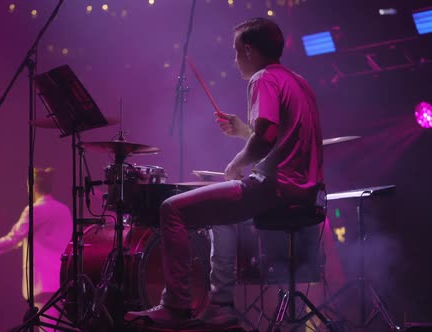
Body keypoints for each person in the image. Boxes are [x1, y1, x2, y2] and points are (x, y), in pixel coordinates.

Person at [126, 17, 324, 328]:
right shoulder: (299, 82)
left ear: (248, 49)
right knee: (221, 217)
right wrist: (244, 131)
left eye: (235, 52)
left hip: (274, 188)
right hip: (304, 189)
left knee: (171, 210)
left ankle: (176, 305)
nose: (234, 59)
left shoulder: (262, 78)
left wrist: (236, 164)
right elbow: (281, 139)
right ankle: (221, 304)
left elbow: (266, 138)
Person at [0, 167, 73, 330]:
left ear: (32, 187)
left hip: (42, 281)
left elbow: (12, 240)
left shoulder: (35, 210)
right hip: (63, 280)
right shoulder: (64, 211)